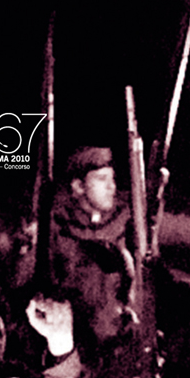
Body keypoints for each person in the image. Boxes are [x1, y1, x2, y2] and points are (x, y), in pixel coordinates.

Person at [50, 146, 134, 350]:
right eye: (101, 179)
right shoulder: (57, 228)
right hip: (74, 331)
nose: (111, 187)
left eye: (112, 179)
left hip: (115, 325)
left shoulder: (126, 222)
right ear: (79, 186)